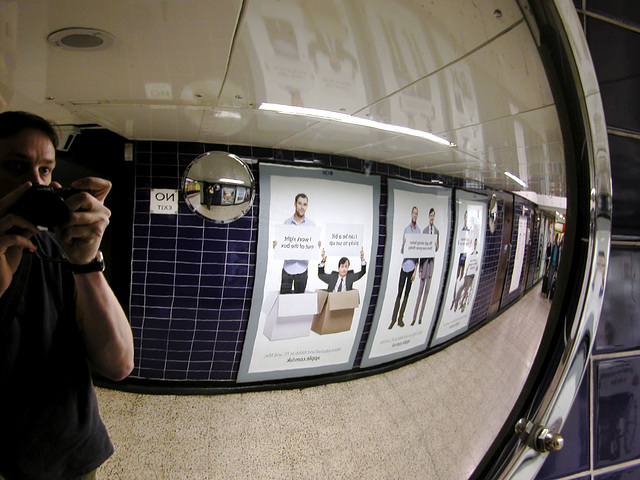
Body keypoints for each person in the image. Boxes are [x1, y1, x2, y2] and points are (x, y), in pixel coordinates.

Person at [0, 111, 134, 480]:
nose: (35, 183)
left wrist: (86, 263)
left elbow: (119, 364)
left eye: (45, 170)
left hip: (70, 455)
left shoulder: (53, 248)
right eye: (15, 166)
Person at [273, 193, 318, 294]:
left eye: (305, 204)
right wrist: (277, 245)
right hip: (287, 268)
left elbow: (312, 246)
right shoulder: (286, 223)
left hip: (302, 269)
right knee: (284, 300)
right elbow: (282, 244)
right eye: (300, 204)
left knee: (299, 301)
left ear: (307, 206)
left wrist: (316, 246)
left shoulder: (311, 225)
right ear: (295, 204)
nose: (302, 207)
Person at [388, 206, 419, 329]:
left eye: (417, 214)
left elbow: (418, 252)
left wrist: (415, 271)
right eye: (414, 213)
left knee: (407, 294)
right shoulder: (406, 229)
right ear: (411, 214)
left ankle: (400, 319)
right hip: (404, 266)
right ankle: (393, 319)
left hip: (412, 268)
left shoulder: (418, 232)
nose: (415, 215)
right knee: (399, 293)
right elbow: (402, 250)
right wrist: (404, 245)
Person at [411, 208, 439, 326]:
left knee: (426, 294)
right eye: (430, 216)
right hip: (424, 266)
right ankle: (414, 317)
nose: (432, 218)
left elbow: (436, 249)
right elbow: (422, 251)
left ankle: (420, 317)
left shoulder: (437, 232)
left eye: (433, 215)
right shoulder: (425, 231)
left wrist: (436, 245)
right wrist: (420, 269)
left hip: (431, 267)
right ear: (428, 217)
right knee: (419, 294)